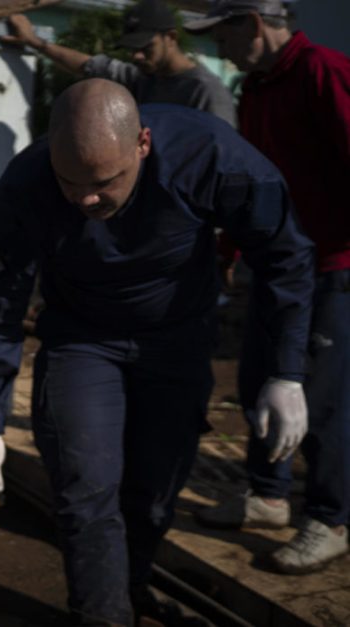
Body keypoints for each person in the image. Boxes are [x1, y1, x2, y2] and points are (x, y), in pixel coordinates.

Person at [0, 79, 314, 624]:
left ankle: (130, 587)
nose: (85, 199)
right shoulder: (29, 182)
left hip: (176, 337)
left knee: (153, 495)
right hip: (81, 338)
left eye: (104, 182)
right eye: (70, 182)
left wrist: (286, 372)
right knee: (86, 487)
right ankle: (103, 615)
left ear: (143, 145)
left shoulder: (212, 157)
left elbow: (285, 257)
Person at [185, 0, 350, 574]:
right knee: (259, 378)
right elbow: (255, 181)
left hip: (334, 265)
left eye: (220, 34)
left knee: (322, 397)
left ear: (251, 24)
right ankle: (268, 495)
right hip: (278, 265)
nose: (216, 48)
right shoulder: (258, 87)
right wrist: (231, 247)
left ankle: (330, 519)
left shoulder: (323, 72)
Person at [4, 0, 236, 126]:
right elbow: (88, 65)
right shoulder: (143, 78)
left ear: (171, 38)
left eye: (146, 48)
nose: (137, 57)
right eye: (133, 50)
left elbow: (224, 156)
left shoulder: (205, 91)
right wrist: (34, 42)